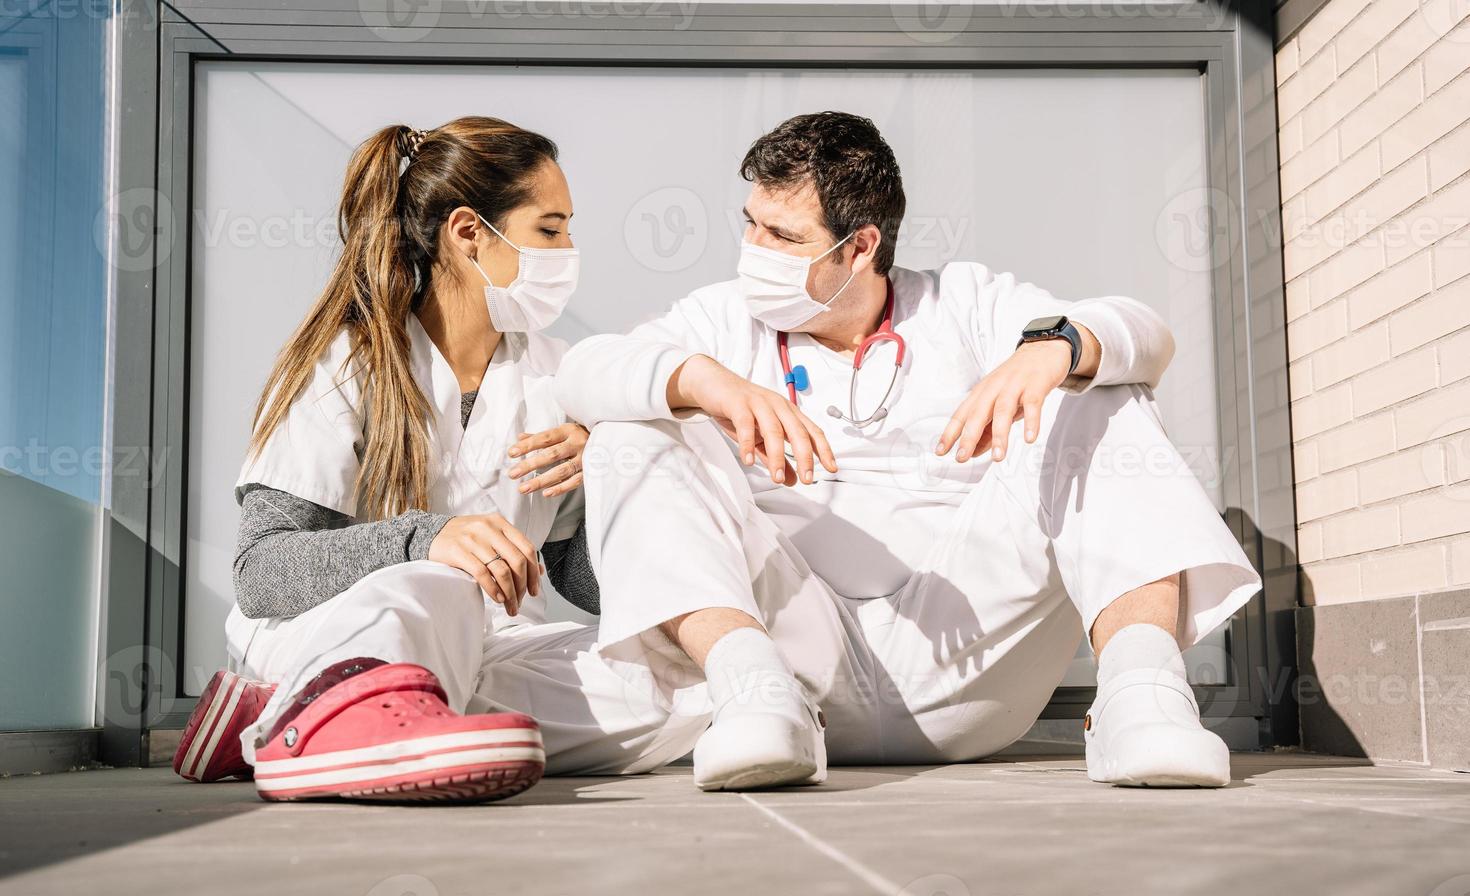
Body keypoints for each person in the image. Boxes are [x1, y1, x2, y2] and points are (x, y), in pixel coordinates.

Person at [549, 111, 1262, 790]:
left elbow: (1144, 331)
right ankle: (749, 689)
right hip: (799, 662)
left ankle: (1143, 699)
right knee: (633, 427)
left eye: (784, 237)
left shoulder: (963, 300)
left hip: (972, 656)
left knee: (1100, 385)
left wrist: (1052, 351)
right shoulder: (718, 319)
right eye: (751, 227)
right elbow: (585, 371)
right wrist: (706, 383)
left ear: (859, 247)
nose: (755, 253)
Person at [172, 117, 601, 802]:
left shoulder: (563, 377)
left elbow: (582, 581)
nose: (570, 250)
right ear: (468, 235)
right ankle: (320, 713)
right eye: (550, 230)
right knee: (438, 585)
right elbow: (260, 573)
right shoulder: (345, 362)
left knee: (678, 678)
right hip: (346, 636)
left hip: (484, 653)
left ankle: (278, 717)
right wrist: (426, 540)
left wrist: (613, 473)